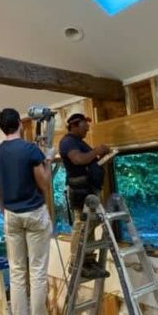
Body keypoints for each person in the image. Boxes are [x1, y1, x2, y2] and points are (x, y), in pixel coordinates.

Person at [0, 108, 53, 315]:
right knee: (36, 274)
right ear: (19, 124)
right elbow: (44, 183)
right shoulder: (30, 150)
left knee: (16, 275)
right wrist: (47, 159)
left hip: (12, 216)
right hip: (34, 214)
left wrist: (6, 211)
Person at [59, 112, 111, 279]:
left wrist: (100, 158)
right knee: (81, 225)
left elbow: (88, 161)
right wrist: (96, 150)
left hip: (89, 189)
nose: (87, 130)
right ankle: (76, 262)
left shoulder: (80, 142)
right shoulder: (67, 142)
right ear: (74, 125)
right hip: (80, 191)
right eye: (84, 127)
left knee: (90, 223)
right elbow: (78, 160)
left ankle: (87, 260)